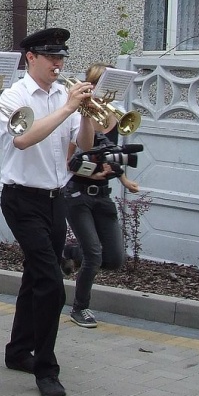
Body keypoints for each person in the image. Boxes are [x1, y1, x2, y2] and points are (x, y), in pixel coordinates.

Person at [0, 27, 94, 396]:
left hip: (56, 199)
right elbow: (23, 139)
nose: (59, 64)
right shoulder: (14, 96)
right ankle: (46, 366)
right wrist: (70, 107)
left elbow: (82, 147)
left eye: (62, 57)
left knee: (34, 277)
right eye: (52, 57)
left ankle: (18, 350)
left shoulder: (61, 94)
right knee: (51, 281)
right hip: (22, 199)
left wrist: (85, 114)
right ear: (31, 58)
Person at [64, 62, 138, 328]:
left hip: (103, 196)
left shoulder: (113, 117)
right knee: (94, 254)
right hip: (77, 195)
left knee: (114, 259)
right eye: (108, 85)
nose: (112, 93)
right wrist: (88, 174)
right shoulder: (78, 116)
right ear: (93, 86)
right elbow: (68, 159)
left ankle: (68, 251)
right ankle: (79, 309)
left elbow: (109, 154)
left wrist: (123, 178)